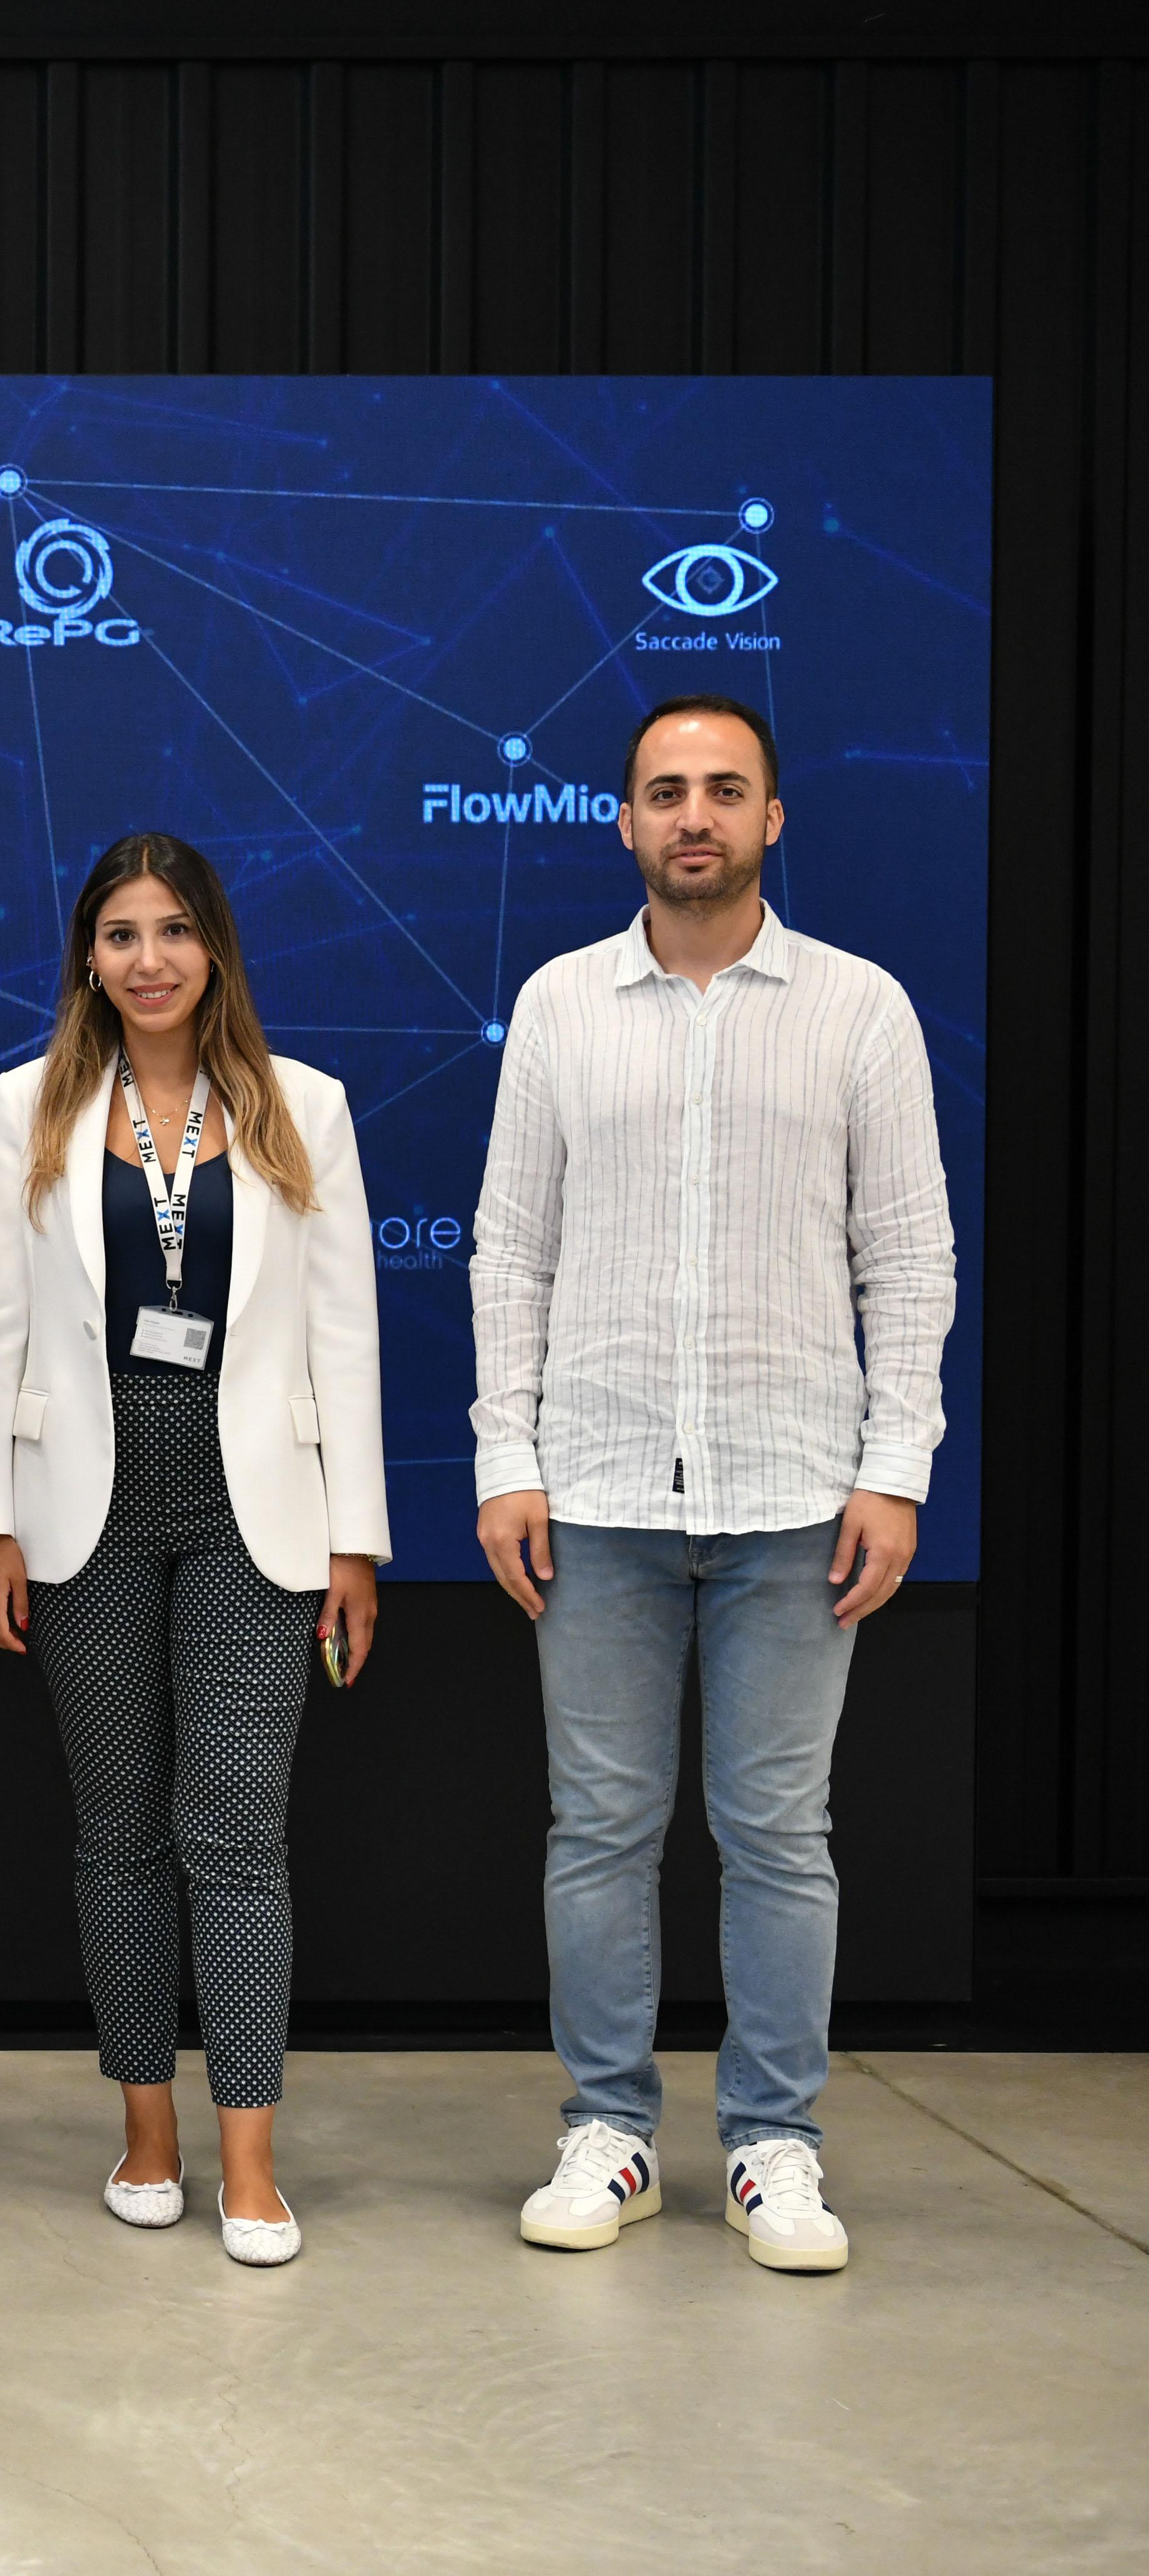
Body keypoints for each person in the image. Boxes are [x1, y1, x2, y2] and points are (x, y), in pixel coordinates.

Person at [473, 694, 953, 2276]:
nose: (696, 815)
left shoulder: (860, 1009)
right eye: (667, 790)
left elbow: (910, 1255)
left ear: (771, 820)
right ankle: (609, 2135)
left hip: (799, 1493)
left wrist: (895, 1468)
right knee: (600, 1831)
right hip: (598, 1487)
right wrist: (507, 1458)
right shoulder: (559, 1004)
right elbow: (511, 1252)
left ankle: (772, 2147)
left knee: (781, 1836)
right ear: (624, 822)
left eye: (726, 790)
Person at [0, 832, 387, 2270]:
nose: (150, 960)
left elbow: (345, 1336)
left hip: (256, 1512)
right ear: (88, 956)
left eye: (175, 931)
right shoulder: (31, 1103)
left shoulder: (304, 1107)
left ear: (215, 949)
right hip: (82, 1508)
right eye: (122, 934)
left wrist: (357, 1542)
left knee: (238, 1832)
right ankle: (147, 2137)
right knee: (120, 1833)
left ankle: (250, 2164)